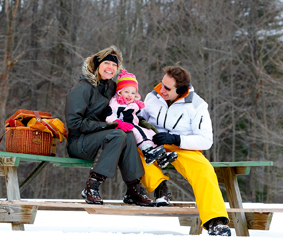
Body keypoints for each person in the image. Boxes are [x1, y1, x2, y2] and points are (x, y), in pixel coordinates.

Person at [138, 65, 231, 236]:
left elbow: (206, 140)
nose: (161, 89)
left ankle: (214, 220)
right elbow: (140, 119)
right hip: (152, 144)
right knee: (134, 150)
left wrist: (176, 139)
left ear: (181, 90)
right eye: (161, 83)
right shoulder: (152, 96)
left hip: (183, 147)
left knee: (204, 170)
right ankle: (160, 188)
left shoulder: (197, 105)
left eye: (167, 88)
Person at [65, 45, 155, 207]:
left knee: (128, 133)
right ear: (97, 65)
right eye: (107, 63)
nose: (110, 68)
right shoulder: (82, 88)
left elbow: (126, 109)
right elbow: (74, 123)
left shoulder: (112, 87)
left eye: (114, 65)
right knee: (119, 133)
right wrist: (109, 126)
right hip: (80, 142)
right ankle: (91, 187)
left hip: (106, 139)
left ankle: (133, 189)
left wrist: (141, 124)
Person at [105, 69, 178, 166]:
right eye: (126, 92)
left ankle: (162, 155)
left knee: (150, 131)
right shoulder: (115, 103)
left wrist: (142, 121)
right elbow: (108, 116)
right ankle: (147, 152)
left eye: (133, 93)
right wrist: (118, 122)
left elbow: (138, 116)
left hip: (134, 124)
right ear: (119, 92)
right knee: (139, 133)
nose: (130, 95)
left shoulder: (134, 104)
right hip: (124, 127)